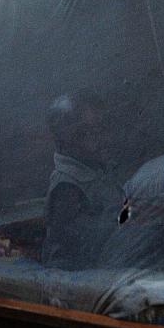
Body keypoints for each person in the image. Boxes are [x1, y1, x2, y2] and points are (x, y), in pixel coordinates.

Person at [41, 91, 125, 270]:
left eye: (101, 129)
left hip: (108, 252)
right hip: (78, 269)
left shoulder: (97, 169)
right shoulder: (67, 188)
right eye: (83, 133)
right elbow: (75, 244)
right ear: (62, 142)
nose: (99, 139)